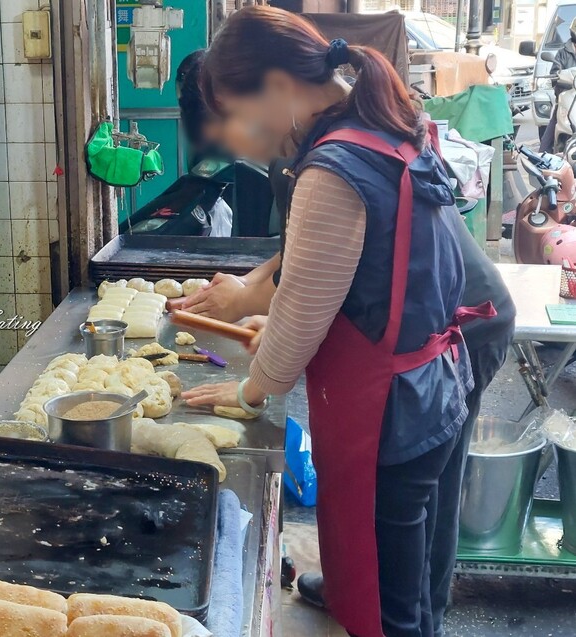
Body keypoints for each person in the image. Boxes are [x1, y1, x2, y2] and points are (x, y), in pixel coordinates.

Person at [181, 7, 497, 636]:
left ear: (276, 88)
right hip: (429, 386)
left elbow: (299, 315)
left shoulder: (333, 166)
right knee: (397, 567)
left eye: (241, 116)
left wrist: (252, 388)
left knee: (391, 604)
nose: (245, 135)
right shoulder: (381, 121)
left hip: (390, 411)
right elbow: (326, 263)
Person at [540, 18, 576, 153]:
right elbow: (555, 73)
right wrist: (560, 78)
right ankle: (542, 162)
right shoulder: (563, 52)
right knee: (549, 135)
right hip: (567, 100)